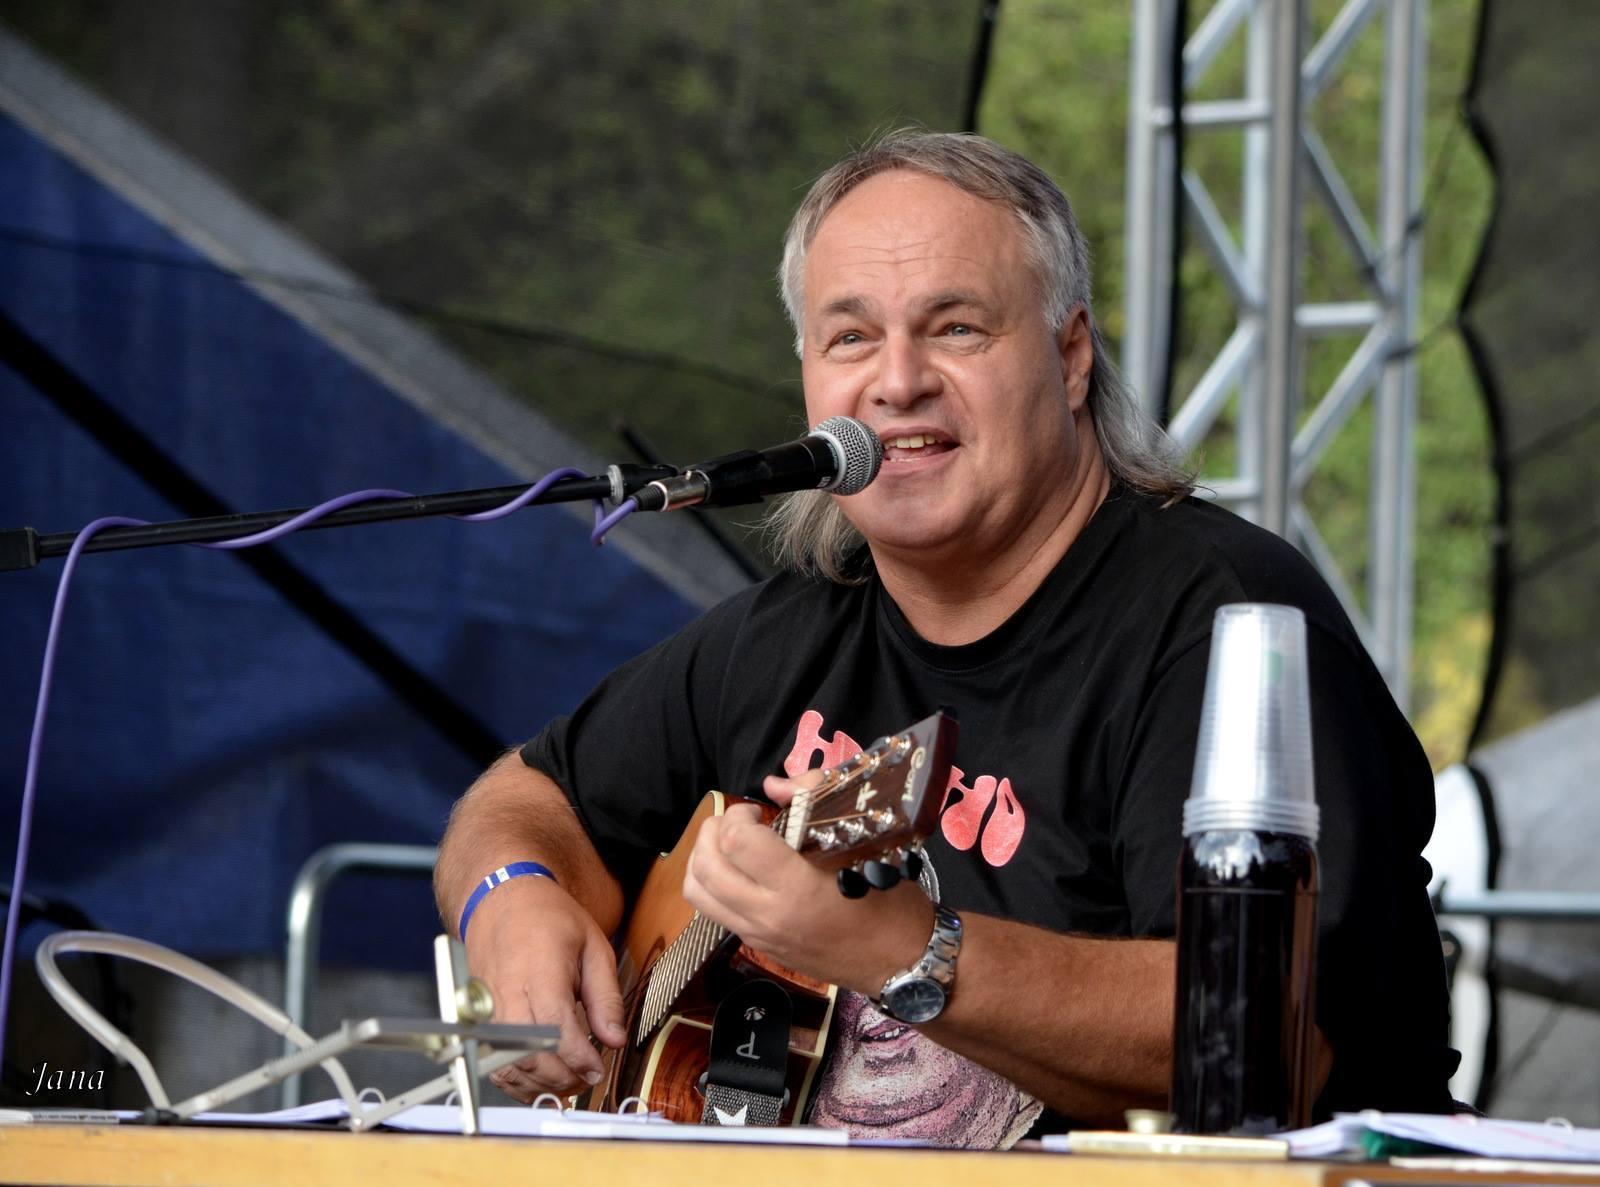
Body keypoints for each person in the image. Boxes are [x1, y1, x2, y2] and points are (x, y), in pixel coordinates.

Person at [434, 130, 1457, 1146]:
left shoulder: (1228, 626)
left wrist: (908, 954)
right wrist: (507, 896)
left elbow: (1261, 1037)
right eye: (850, 337)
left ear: (1069, 357)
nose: (897, 381)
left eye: (956, 327)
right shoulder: (788, 631)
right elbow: (526, 797)